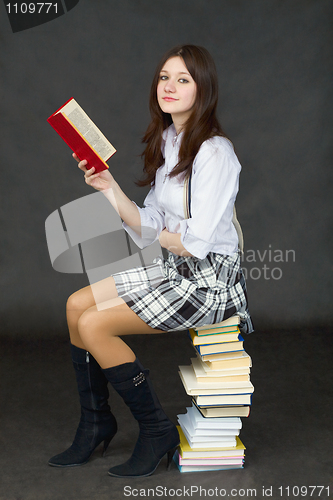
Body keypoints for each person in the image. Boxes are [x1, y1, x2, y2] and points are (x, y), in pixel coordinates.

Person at [48, 44, 253, 478]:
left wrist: (159, 236)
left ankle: (155, 429)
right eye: (164, 77)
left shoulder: (215, 152)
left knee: (93, 324)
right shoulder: (170, 141)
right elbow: (150, 222)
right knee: (74, 306)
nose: (170, 86)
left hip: (209, 281)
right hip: (175, 268)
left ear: (203, 89)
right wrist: (107, 187)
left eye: (183, 79)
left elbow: (194, 245)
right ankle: (95, 423)